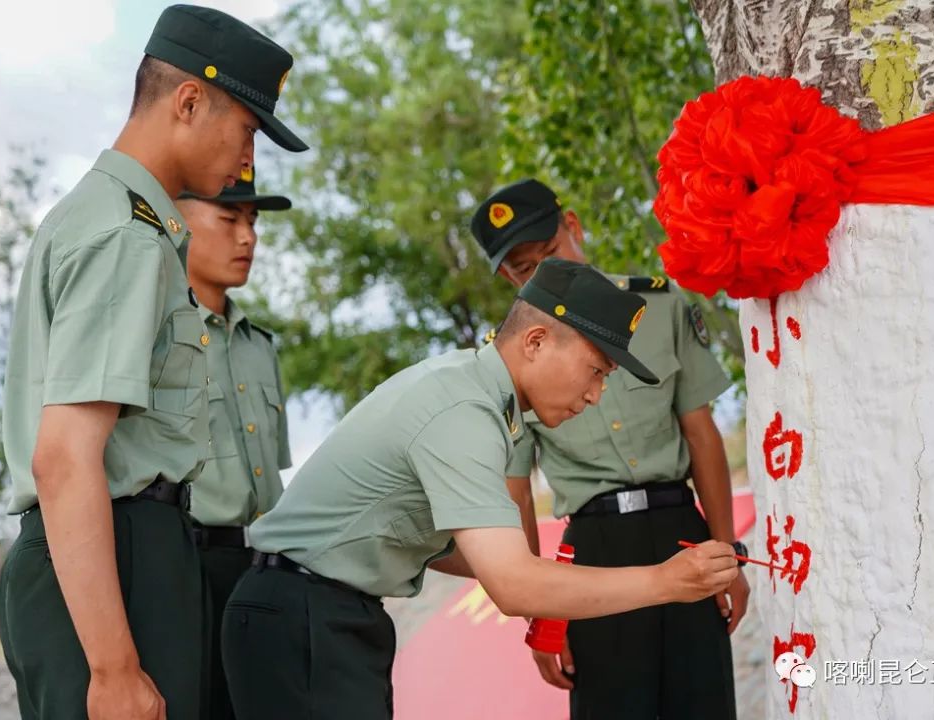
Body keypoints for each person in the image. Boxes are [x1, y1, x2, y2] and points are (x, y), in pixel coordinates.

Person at [220, 257, 739, 720]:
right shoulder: (464, 411)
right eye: (595, 371)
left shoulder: (476, 395)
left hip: (327, 612)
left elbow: (449, 545)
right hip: (303, 614)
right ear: (536, 341)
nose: (597, 394)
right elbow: (512, 587)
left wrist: (550, 573)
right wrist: (666, 583)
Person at [0, 5, 307, 719]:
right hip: (112, 555)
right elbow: (67, 459)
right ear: (189, 100)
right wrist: (113, 669)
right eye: (248, 131)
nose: (247, 162)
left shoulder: (123, 223)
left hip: (132, 550)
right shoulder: (124, 237)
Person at [469, 178, 747, 719]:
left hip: (681, 534)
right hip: (593, 555)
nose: (543, 274)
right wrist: (541, 614)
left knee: (704, 703)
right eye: (523, 270)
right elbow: (517, 490)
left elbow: (703, 434)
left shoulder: (660, 306)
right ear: (508, 278)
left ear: (572, 227)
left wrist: (727, 554)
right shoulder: (511, 359)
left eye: (549, 254)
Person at [176, 165, 294, 720]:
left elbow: (277, 473)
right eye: (230, 217)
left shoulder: (260, 347)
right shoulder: (159, 338)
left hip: (265, 570)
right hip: (187, 573)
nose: (248, 236)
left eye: (252, 221)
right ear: (177, 220)